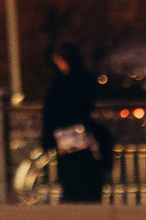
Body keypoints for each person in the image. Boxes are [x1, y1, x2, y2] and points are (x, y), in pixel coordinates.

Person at [40, 36, 113, 207]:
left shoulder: (58, 83)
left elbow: (50, 112)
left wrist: (47, 139)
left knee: (71, 177)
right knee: (86, 176)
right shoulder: (84, 79)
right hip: (84, 134)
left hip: (66, 136)